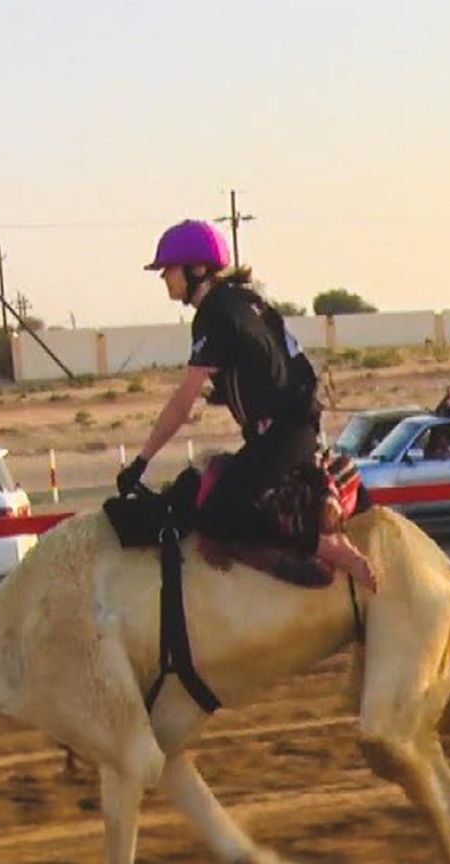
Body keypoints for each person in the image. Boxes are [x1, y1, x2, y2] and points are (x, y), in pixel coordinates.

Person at [119, 219, 375, 590]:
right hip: (289, 427)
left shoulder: (214, 315)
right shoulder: (244, 301)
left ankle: (326, 546)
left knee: (216, 516)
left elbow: (181, 403)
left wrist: (141, 461)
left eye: (168, 270)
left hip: (283, 432)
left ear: (197, 269)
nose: (164, 279)